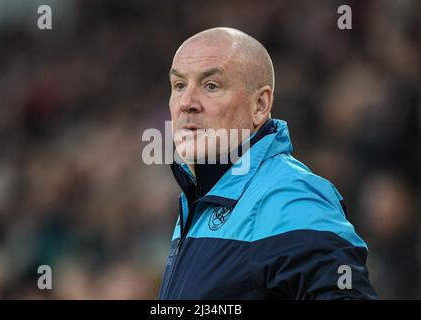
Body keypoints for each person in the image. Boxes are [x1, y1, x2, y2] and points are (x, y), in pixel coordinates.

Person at [159, 27, 376, 299]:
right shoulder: (200, 196)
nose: (186, 102)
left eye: (211, 86)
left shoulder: (291, 196)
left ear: (260, 105)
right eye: (179, 85)